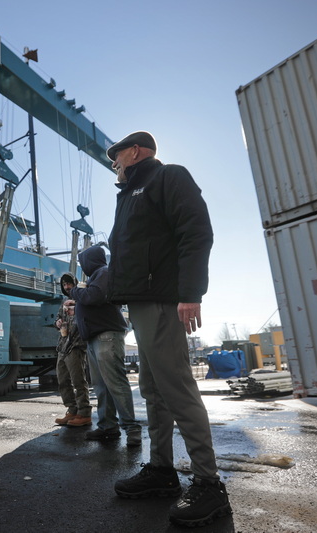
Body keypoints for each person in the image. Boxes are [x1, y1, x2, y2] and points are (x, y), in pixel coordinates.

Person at [105, 131, 231, 527]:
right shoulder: (129, 194)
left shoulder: (167, 177)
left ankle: (209, 484)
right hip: (140, 302)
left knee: (176, 387)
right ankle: (161, 470)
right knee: (153, 390)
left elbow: (196, 232)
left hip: (162, 299)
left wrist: (191, 292)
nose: (115, 163)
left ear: (136, 151)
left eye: (118, 156)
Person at [70, 245, 142, 447]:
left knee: (116, 383)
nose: (82, 267)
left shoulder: (103, 272)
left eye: (83, 262)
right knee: (101, 386)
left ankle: (132, 428)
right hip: (96, 338)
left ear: (89, 261)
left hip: (106, 337)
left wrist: (74, 291)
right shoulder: (98, 276)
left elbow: (94, 297)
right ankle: (108, 427)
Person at [53, 273, 92, 427]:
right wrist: (58, 322)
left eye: (69, 284)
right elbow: (57, 318)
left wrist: (76, 309)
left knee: (78, 380)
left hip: (76, 346)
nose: (67, 287)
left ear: (75, 283)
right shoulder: (64, 302)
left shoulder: (82, 299)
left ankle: (84, 412)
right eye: (64, 285)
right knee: (62, 380)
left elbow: (86, 320)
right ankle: (72, 410)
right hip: (63, 346)